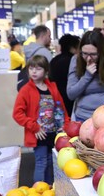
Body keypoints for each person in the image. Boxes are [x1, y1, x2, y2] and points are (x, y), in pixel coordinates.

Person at [13, 55, 69, 184]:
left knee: (51, 162)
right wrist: (34, 127)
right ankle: (38, 192)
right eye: (31, 68)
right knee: (41, 162)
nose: (33, 71)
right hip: (39, 134)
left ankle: (49, 189)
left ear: (46, 71)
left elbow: (61, 108)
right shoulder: (25, 90)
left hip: (53, 133)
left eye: (38, 69)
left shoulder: (52, 88)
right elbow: (17, 113)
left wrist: (65, 124)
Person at [49, 34, 80, 117]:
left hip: (55, 97)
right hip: (70, 100)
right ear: (72, 47)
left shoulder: (54, 60)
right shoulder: (74, 61)